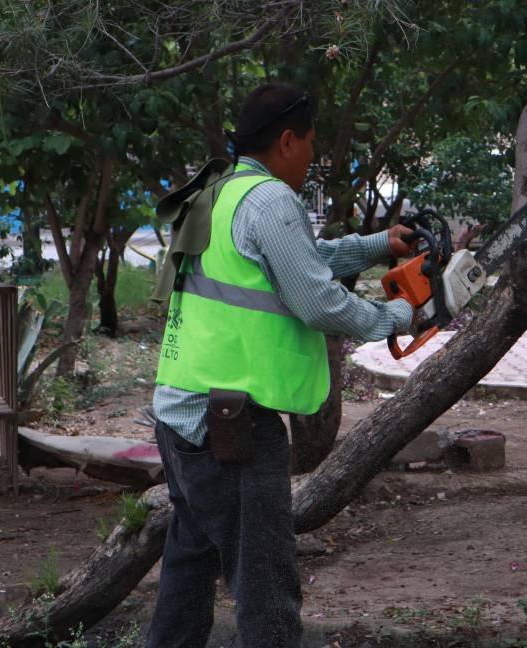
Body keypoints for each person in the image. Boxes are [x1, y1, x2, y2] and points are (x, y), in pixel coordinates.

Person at [147, 82, 414, 648]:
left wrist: (376, 245)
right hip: (231, 429)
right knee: (266, 587)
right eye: (312, 143)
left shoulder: (222, 190)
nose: (315, 156)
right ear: (287, 140)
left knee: (189, 574)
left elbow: (301, 263)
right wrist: (396, 317)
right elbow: (318, 300)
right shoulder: (270, 201)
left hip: (181, 412)